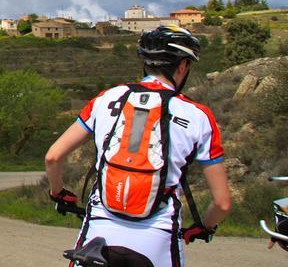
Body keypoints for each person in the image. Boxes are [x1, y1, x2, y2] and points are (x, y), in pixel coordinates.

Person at [45, 25, 231, 267]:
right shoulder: (199, 116)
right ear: (183, 66)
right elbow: (222, 203)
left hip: (100, 232)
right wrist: (204, 226)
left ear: (146, 63)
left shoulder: (106, 99)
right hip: (158, 235)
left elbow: (53, 157)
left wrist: (58, 193)